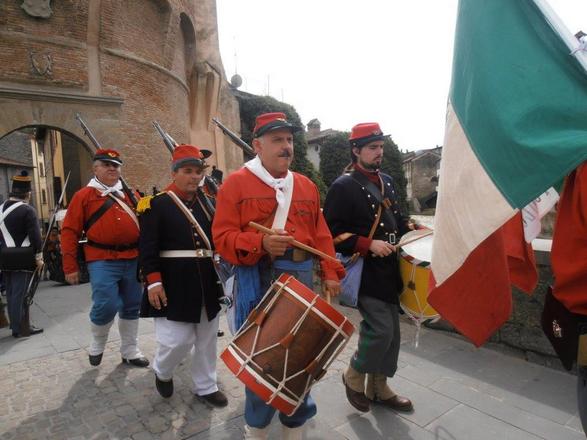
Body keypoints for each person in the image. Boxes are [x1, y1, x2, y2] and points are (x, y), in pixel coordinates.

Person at [213, 112, 344, 440]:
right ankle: (256, 428)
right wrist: (259, 241)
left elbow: (321, 234)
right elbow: (223, 239)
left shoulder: (306, 185)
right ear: (257, 145)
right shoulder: (236, 183)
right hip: (257, 275)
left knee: (302, 354)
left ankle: (294, 427)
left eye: (289, 140)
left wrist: (330, 272)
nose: (287, 147)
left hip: (300, 274)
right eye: (277, 140)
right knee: (263, 358)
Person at [323, 122, 413, 413]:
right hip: (364, 271)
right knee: (381, 330)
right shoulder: (343, 186)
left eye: (381, 147)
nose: (379, 153)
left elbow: (398, 221)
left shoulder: (386, 180)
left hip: (390, 268)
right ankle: (354, 374)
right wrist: (367, 244)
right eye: (373, 147)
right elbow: (331, 232)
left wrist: (413, 229)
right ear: (356, 150)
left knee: (393, 334)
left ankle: (379, 387)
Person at [138, 144, 228, 407]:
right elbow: (147, 247)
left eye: (198, 171)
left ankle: (206, 385)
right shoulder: (156, 205)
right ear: (175, 172)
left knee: (207, 336)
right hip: (173, 279)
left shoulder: (209, 204)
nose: (194, 177)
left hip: (206, 278)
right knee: (176, 339)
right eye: (188, 171)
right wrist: (153, 281)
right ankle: (162, 370)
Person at [61, 149, 148, 368]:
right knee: (106, 303)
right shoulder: (84, 196)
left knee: (131, 305)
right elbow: (70, 231)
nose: (111, 168)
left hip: (133, 257)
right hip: (101, 258)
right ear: (95, 168)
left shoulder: (131, 194)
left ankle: (130, 350)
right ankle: (98, 343)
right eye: (106, 164)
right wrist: (69, 266)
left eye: (115, 165)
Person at [0, 171, 44, 337]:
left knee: (11, 293)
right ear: (28, 193)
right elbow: (35, 237)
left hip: (5, 257)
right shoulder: (27, 210)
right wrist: (39, 257)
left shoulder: (0, 209)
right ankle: (21, 328)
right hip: (24, 257)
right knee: (22, 293)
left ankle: (15, 326)